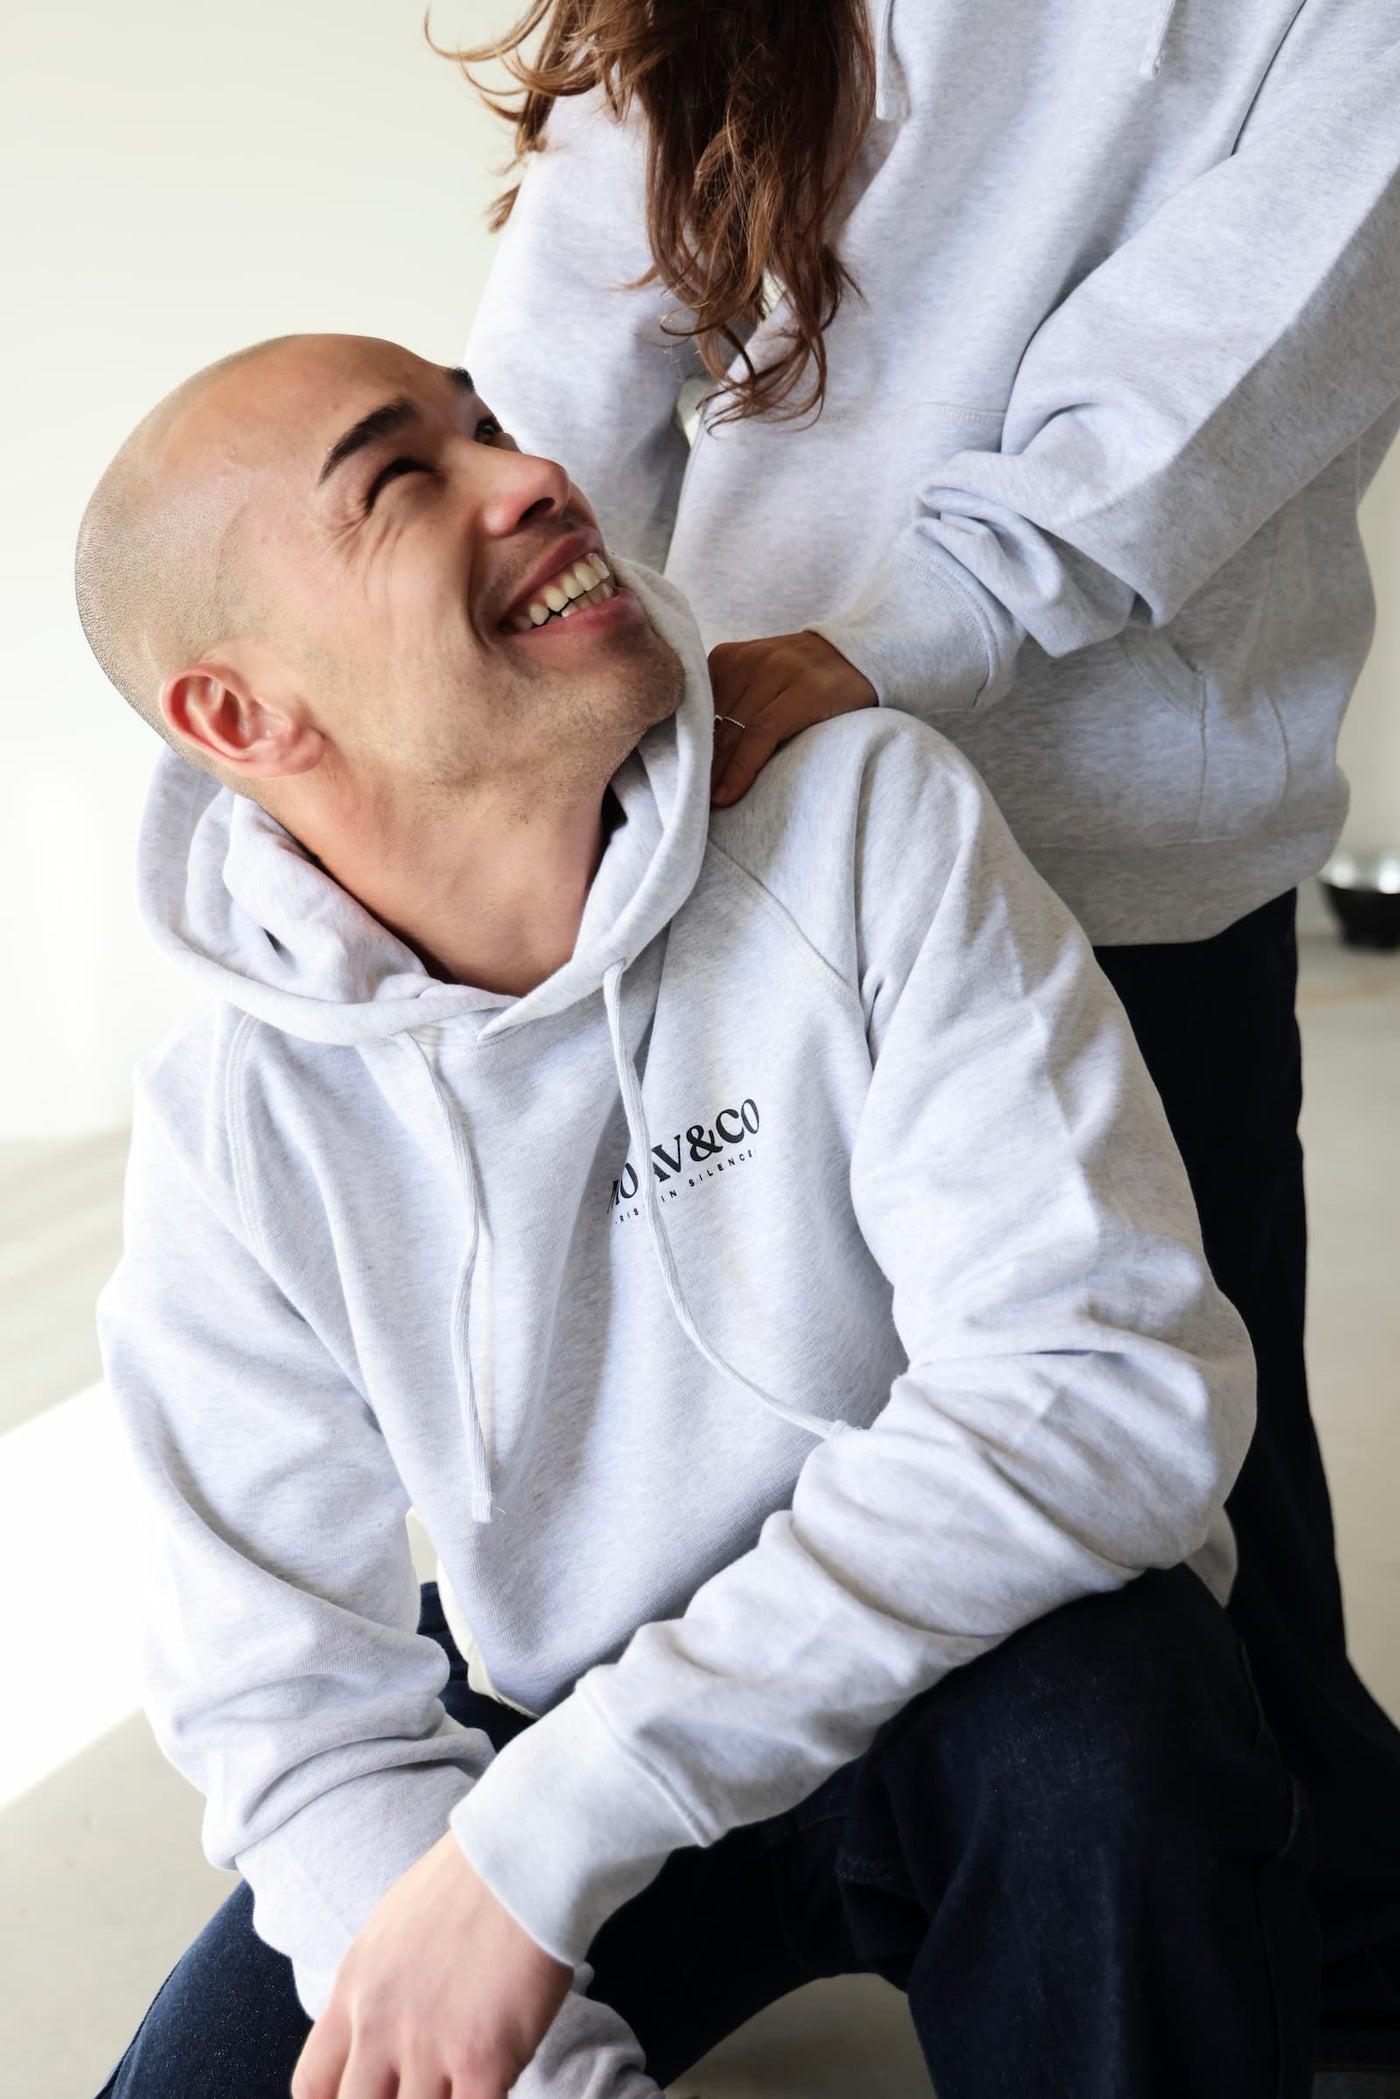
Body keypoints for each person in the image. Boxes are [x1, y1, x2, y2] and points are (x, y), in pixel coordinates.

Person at [80, 331, 1309, 2099]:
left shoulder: (863, 819)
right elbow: (288, 1711)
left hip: (984, 1663)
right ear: (243, 717)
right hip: (565, 1698)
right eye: (403, 478)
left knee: (1126, 1730)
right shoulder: (234, 1128)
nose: (533, 474)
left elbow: (1109, 1386)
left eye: (489, 423)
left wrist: (549, 1836)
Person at [446, 0, 1400, 2075]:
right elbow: (560, 370)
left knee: (1170, 1461)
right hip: (738, 813)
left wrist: (891, 647)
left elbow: (1235, 358)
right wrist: (511, 736)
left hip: (1114, 838)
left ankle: (1308, 1918)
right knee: (730, 1412)